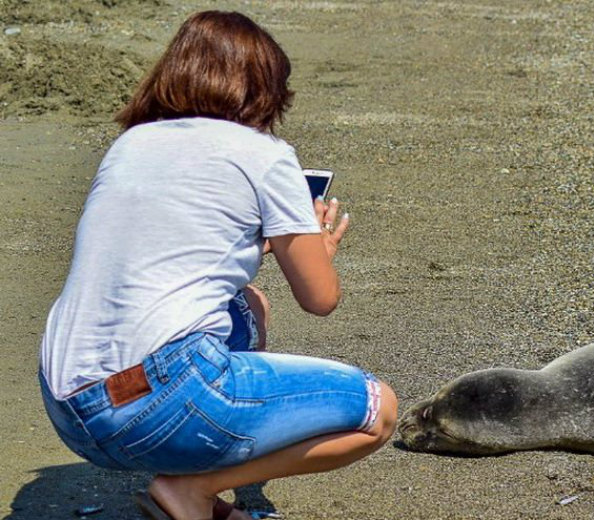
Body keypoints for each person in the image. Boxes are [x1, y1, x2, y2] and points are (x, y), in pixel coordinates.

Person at [38, 11, 397, 520]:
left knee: (249, 305)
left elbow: (173, 253)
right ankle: (195, 488)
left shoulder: (131, 143)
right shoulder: (265, 155)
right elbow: (321, 299)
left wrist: (249, 243)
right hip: (154, 403)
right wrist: (318, 248)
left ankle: (193, 488)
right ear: (263, 88)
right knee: (376, 410)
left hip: (70, 405)